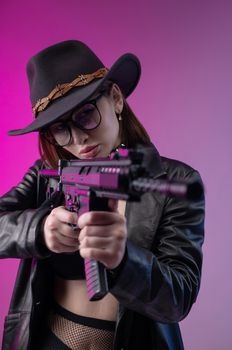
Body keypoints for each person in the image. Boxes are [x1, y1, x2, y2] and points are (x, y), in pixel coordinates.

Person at [0, 40, 205, 350]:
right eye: (60, 128)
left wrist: (124, 261)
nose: (79, 137)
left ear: (115, 98)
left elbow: (177, 300)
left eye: (85, 114)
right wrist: (39, 230)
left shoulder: (175, 182)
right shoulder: (47, 175)